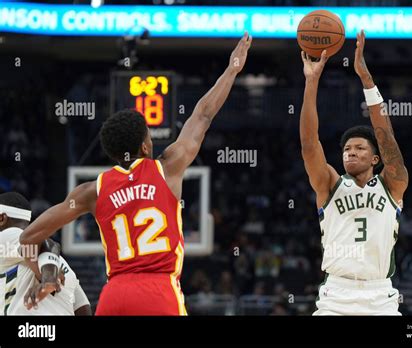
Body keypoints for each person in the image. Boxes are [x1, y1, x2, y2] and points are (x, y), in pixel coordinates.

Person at [20, 33, 252, 315]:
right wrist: (233, 69)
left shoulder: (91, 191)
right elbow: (203, 115)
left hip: (114, 296)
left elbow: (28, 237)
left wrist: (44, 274)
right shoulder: (168, 167)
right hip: (159, 292)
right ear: (144, 145)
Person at [299, 30, 408, 315]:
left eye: (359, 148)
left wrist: (366, 80)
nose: (351, 152)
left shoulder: (393, 184)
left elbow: (387, 139)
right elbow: (309, 144)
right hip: (336, 295)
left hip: (380, 295)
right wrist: (312, 82)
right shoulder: (330, 184)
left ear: (375, 158)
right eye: (347, 149)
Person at [0, 192, 90, 315]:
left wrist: (48, 279)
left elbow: (45, 243)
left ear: (2, 219)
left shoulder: (7, 236)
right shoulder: (64, 265)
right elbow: (82, 307)